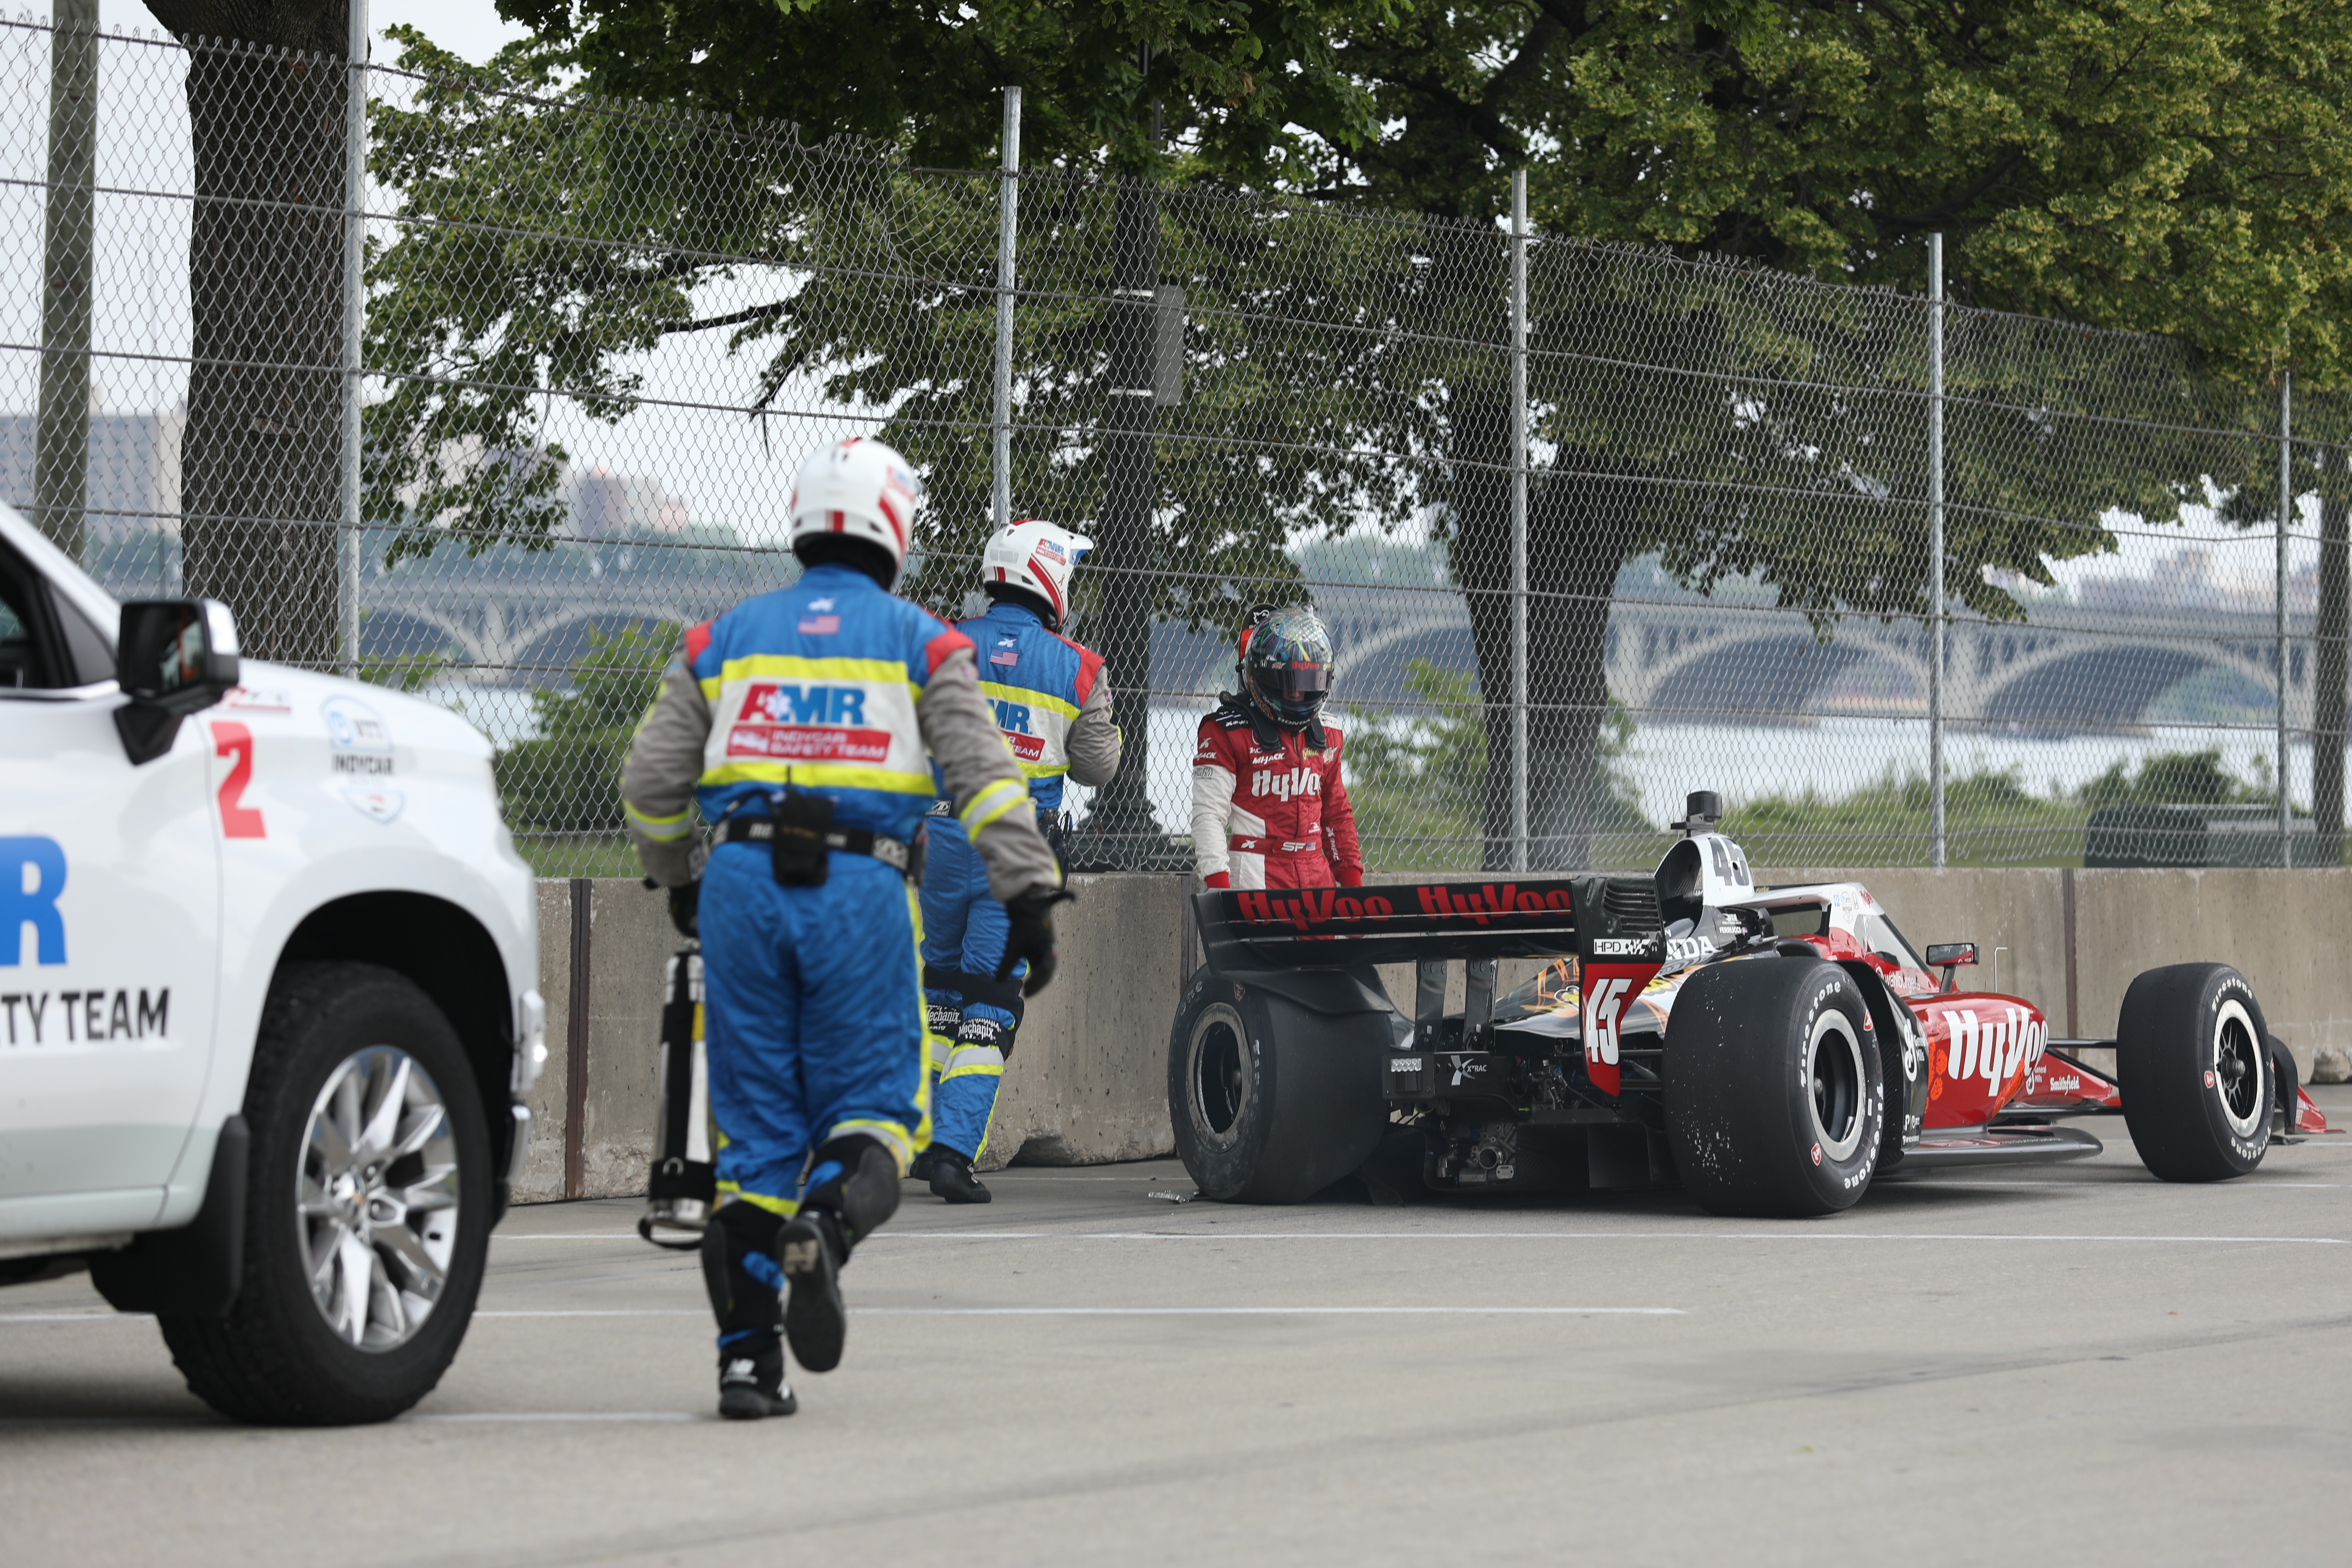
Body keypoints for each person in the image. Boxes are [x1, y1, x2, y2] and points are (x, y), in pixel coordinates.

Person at [621, 437, 1065, 1421]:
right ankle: (824, 1228)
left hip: (738, 881)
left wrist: (682, 880)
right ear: (895, 529)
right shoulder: (924, 643)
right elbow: (988, 784)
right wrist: (1030, 902)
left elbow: (652, 784)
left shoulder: (722, 639)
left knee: (754, 1144)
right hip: (862, 891)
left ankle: (747, 1369)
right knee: (873, 1119)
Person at [915, 519, 1122, 1204]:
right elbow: (1098, 767)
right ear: (1050, 575)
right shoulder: (1078, 666)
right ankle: (951, 1154)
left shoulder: (946, 644)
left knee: (943, 989)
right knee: (991, 1005)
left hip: (942, 838)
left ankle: (919, 1138)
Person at [1190, 603, 1363, 890]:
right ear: (1263, 676)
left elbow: (1336, 814)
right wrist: (1219, 887)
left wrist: (1353, 886)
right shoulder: (1225, 731)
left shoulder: (1329, 732)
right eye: (1287, 682)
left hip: (1316, 876)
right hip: (1253, 876)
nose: (1297, 693)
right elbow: (1208, 815)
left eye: (1307, 682)